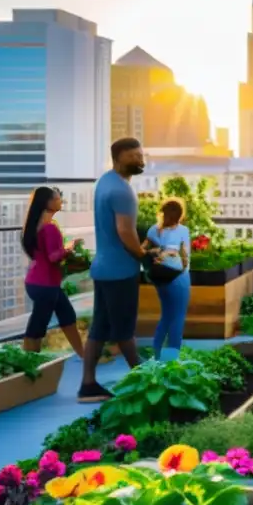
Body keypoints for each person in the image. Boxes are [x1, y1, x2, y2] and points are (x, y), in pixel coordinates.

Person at [80, 137, 148, 403]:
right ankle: (145, 380)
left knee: (100, 328)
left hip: (103, 267)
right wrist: (142, 255)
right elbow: (124, 231)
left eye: (141, 155)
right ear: (118, 158)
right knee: (124, 330)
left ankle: (88, 385)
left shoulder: (105, 182)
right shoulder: (122, 191)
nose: (140, 160)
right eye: (134, 156)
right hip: (120, 270)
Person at [20, 186, 86, 358]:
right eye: (57, 198)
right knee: (37, 326)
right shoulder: (49, 227)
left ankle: (82, 354)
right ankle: (28, 363)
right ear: (47, 202)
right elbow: (53, 257)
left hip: (40, 282)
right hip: (45, 285)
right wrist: (70, 248)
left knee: (67, 315)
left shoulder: (36, 224)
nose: (60, 201)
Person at [143, 197, 191, 356]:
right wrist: (183, 267)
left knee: (166, 315)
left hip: (160, 277)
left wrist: (155, 253)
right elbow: (184, 255)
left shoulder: (153, 230)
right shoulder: (182, 231)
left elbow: (141, 251)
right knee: (178, 317)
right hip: (179, 277)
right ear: (180, 215)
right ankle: (172, 358)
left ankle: (156, 353)